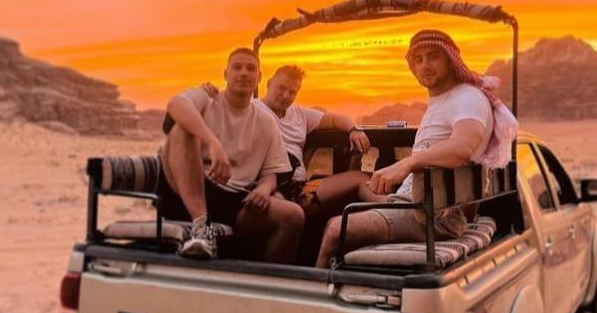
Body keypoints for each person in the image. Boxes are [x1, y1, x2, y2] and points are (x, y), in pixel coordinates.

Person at [315, 29, 518, 268]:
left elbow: (462, 147)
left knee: (336, 229)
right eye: (418, 60)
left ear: (451, 60)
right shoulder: (445, 100)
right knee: (358, 190)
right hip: (416, 203)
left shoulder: (467, 98)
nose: (425, 65)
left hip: (432, 217)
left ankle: (309, 297)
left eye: (433, 56)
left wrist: (405, 164)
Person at [158, 47, 304, 262]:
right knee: (182, 129)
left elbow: (272, 172)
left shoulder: (265, 122)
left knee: (293, 216)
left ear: (259, 77)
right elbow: (175, 105)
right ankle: (200, 227)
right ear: (226, 74)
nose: (244, 73)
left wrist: (263, 190)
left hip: (234, 199)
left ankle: (267, 285)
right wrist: (213, 142)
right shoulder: (206, 98)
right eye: (237, 67)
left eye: (250, 68)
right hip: (187, 190)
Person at [201, 64, 372, 218]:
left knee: (364, 179)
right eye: (281, 88)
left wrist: (354, 130)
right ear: (268, 84)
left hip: (299, 186)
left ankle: (382, 213)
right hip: (270, 184)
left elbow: (335, 119)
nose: (285, 95)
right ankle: (388, 209)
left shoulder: (300, 115)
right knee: (360, 179)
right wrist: (207, 95)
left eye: (292, 92)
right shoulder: (252, 108)